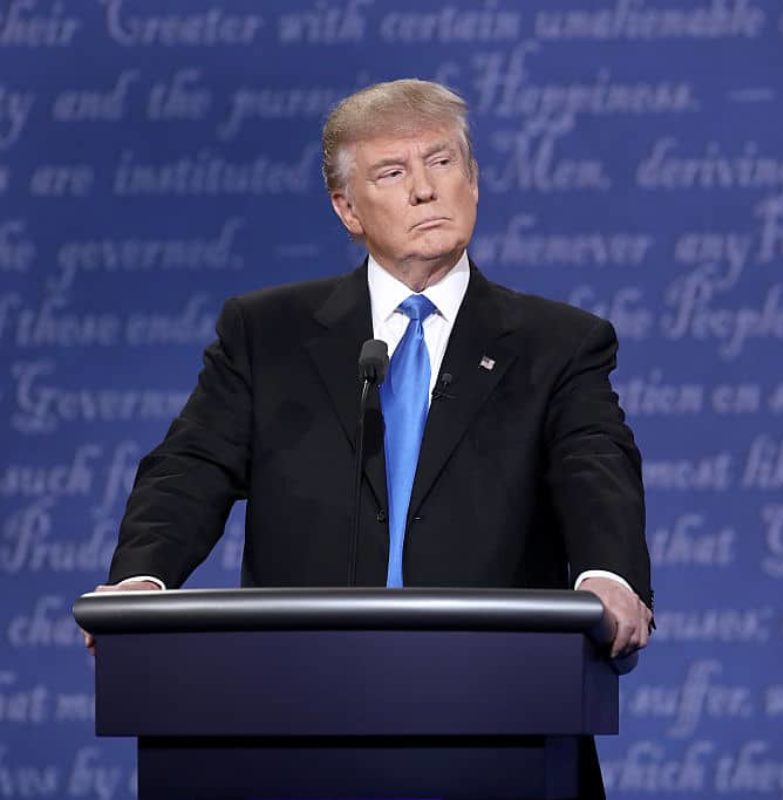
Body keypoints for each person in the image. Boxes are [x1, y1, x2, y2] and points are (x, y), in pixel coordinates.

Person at [84, 79, 652, 798]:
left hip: (497, 715)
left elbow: (596, 465)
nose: (425, 189)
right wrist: (142, 578)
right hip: (293, 714)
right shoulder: (267, 334)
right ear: (347, 209)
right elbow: (190, 467)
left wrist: (609, 575)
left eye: (441, 162)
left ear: (473, 180)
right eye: (392, 172)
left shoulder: (559, 343)